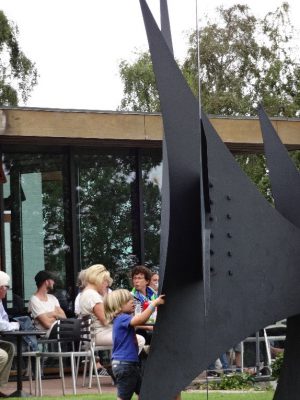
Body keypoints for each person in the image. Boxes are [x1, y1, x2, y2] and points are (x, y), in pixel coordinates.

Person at [104, 289, 165, 400]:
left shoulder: (122, 320)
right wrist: (154, 304)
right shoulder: (122, 318)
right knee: (123, 397)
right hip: (125, 365)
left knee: (144, 393)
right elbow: (141, 319)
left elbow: (141, 323)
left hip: (129, 365)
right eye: (128, 300)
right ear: (118, 306)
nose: (132, 301)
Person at [28, 270, 66, 338]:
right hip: (46, 333)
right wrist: (57, 316)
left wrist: (52, 314)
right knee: (73, 331)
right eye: (52, 280)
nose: (53, 282)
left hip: (59, 330)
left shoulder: (52, 298)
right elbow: (47, 324)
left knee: (74, 329)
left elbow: (64, 317)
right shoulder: (34, 300)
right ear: (46, 282)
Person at [131, 265, 157, 345]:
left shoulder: (154, 295)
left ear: (147, 281)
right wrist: (148, 327)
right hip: (138, 329)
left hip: (152, 325)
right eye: (135, 278)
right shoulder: (130, 296)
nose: (136, 281)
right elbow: (131, 320)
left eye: (139, 278)